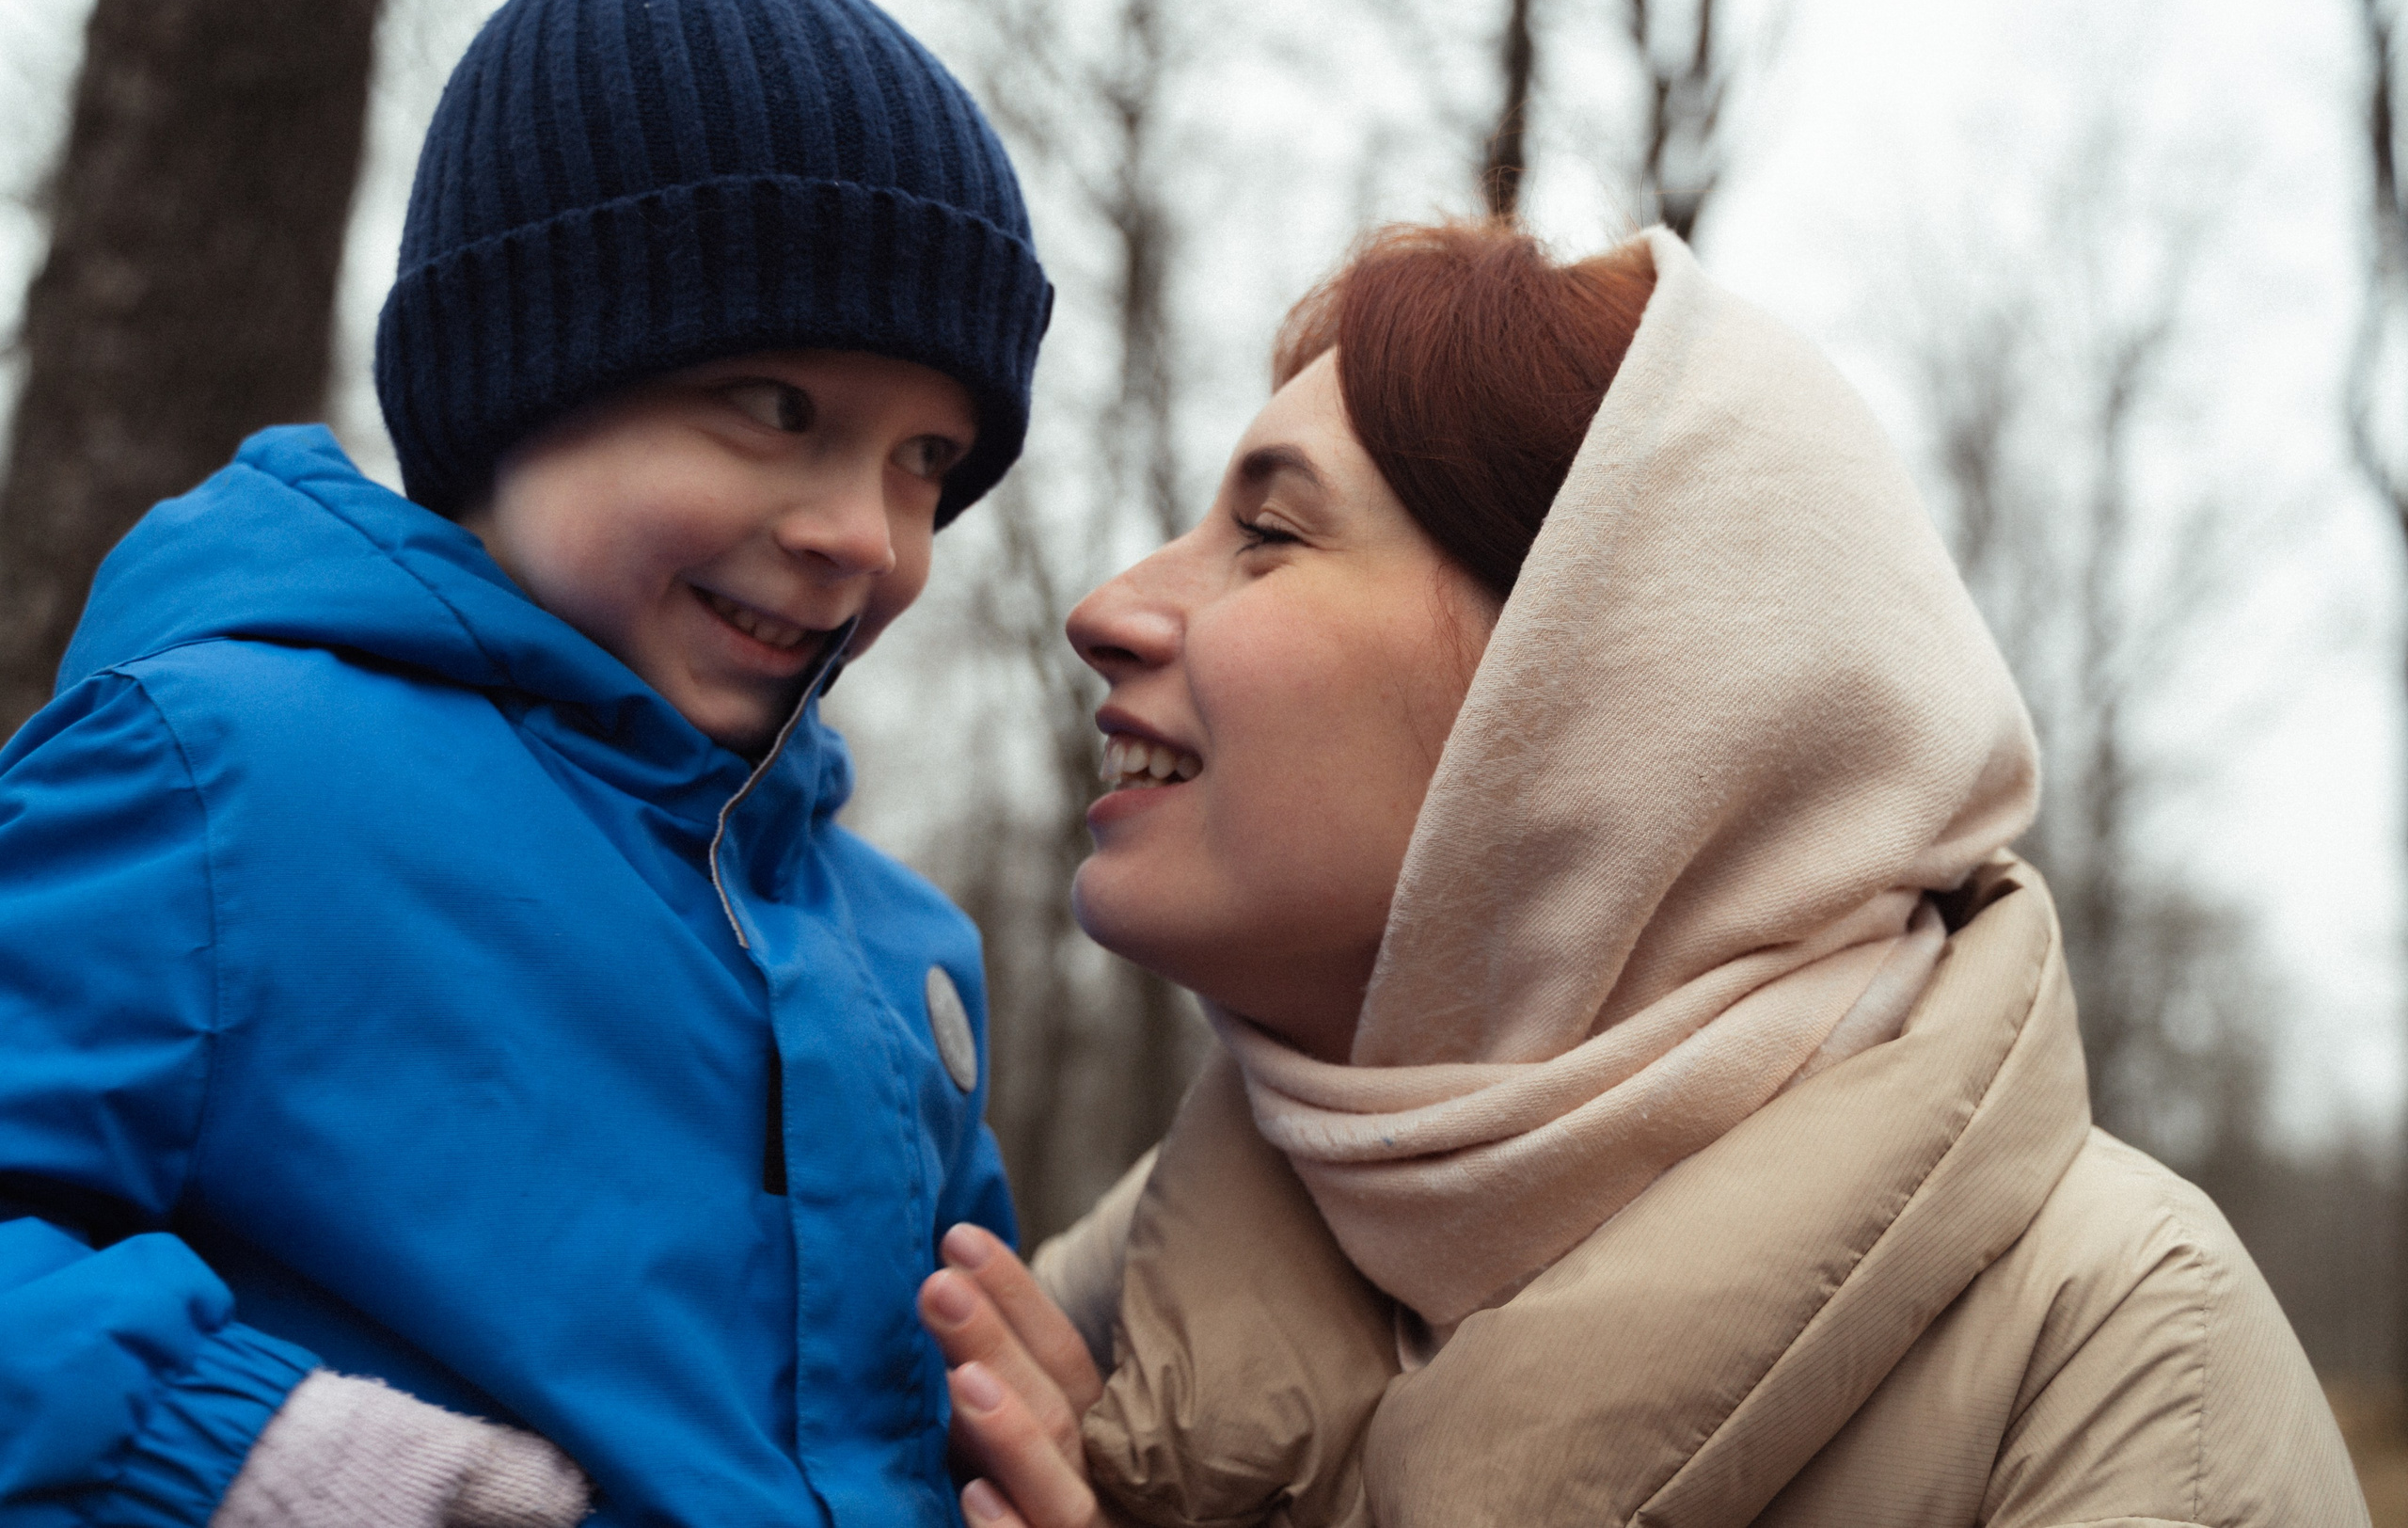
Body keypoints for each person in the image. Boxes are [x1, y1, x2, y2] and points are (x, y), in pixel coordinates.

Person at [917, 221, 2368, 1528]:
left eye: (1270, 536)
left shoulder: (2116, 1349)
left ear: (1585, 695)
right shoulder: (1114, 1287)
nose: (1105, 609)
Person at [0, 0, 1051, 1528]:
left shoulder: (905, 953)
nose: (867, 535)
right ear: (517, 382)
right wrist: (236, 1455)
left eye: (926, 460)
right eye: (776, 409)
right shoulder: (224, 772)